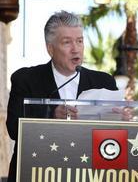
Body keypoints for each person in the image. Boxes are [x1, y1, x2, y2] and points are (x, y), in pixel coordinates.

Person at [6, 10, 118, 182]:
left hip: (87, 173)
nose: (76, 49)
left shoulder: (103, 82)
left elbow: (114, 136)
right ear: (50, 49)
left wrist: (123, 119)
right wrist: (51, 115)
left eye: (79, 41)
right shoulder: (25, 79)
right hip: (38, 172)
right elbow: (14, 128)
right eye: (67, 42)